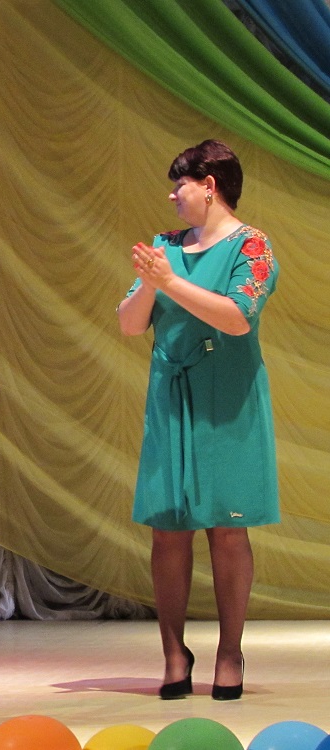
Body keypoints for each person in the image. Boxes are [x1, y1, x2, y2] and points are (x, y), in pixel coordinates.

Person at [117, 139, 279, 702]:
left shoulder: (252, 245)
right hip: (171, 395)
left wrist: (169, 282)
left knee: (227, 529)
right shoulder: (165, 246)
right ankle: (173, 652)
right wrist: (150, 282)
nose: (172, 195)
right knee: (168, 527)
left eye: (180, 184)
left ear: (209, 186)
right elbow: (130, 324)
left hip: (226, 397)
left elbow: (237, 317)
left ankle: (230, 652)